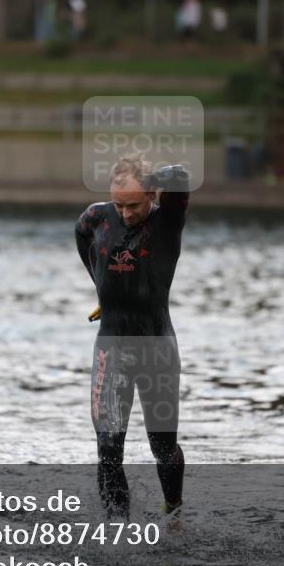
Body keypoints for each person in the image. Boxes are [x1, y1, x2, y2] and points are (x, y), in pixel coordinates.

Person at [75, 154, 190, 518]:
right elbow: (82, 237)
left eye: (134, 204)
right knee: (108, 448)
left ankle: (173, 511)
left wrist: (147, 178)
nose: (125, 213)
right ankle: (117, 533)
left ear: (152, 195)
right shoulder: (97, 217)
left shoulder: (167, 219)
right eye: (119, 204)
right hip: (111, 346)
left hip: (156, 347)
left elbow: (182, 176)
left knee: (163, 448)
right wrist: (100, 286)